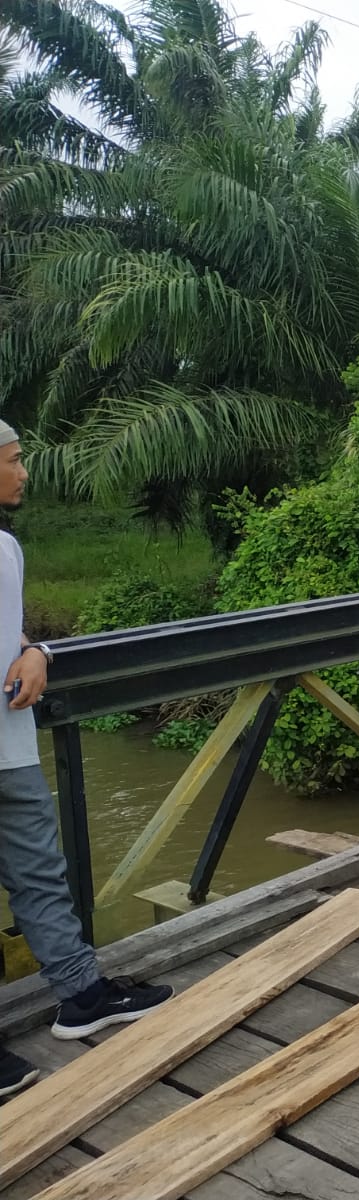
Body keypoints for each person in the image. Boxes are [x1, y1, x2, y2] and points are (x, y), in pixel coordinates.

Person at [0, 422, 173, 1100]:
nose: (23, 474)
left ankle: (82, 996)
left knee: (41, 873)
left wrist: (39, 651)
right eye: (13, 462)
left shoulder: (6, 548)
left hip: (10, 745)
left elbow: (6, 629)